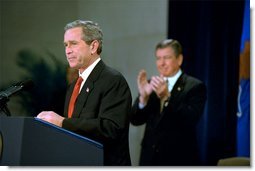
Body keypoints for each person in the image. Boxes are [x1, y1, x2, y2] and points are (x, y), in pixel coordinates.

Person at [37, 20, 132, 166]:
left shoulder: (113, 80)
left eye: (73, 43)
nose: (68, 50)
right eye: (65, 45)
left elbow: (111, 129)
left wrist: (62, 122)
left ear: (93, 46)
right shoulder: (74, 86)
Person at [130, 39, 207, 166]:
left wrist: (167, 97)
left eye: (167, 57)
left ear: (179, 59)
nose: (161, 63)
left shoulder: (195, 86)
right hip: (149, 160)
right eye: (158, 58)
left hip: (177, 159)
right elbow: (135, 120)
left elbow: (190, 119)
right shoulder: (151, 85)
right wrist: (143, 98)